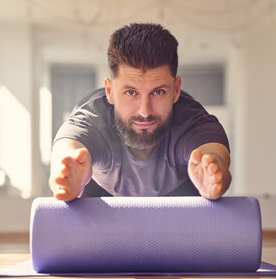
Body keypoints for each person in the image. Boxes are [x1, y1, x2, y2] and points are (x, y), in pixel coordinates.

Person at [49, 23, 231, 201]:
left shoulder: (191, 121)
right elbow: (67, 149)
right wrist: (65, 175)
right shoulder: (93, 119)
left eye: (158, 92)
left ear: (176, 89)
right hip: (99, 188)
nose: (145, 111)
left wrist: (214, 173)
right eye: (131, 93)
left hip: (177, 192)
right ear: (109, 91)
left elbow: (214, 154)